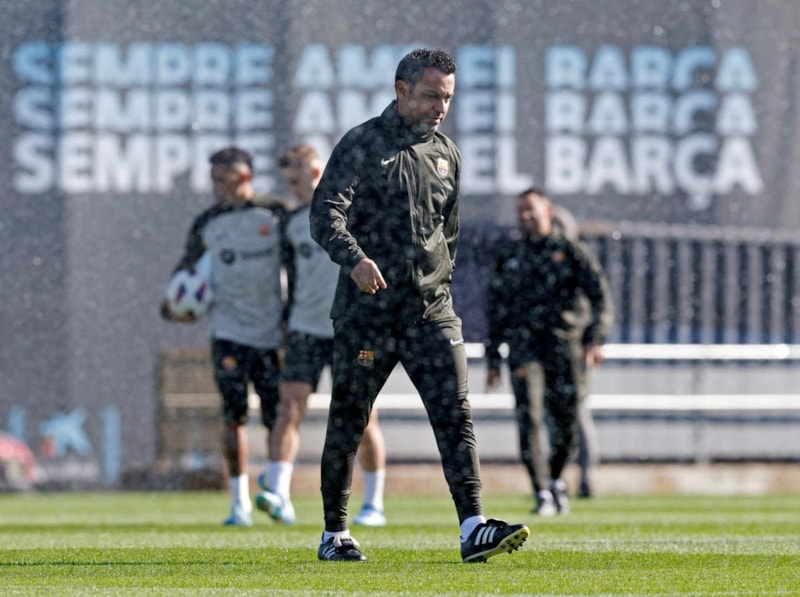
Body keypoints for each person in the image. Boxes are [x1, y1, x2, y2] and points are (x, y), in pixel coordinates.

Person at [310, 47, 530, 563]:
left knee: (456, 415)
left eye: (448, 97)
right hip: (369, 313)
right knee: (349, 420)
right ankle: (335, 533)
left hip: (431, 312)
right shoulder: (363, 143)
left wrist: (437, 286)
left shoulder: (447, 154)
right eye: (432, 95)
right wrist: (356, 260)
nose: (441, 107)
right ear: (402, 89)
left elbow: (447, 234)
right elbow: (324, 214)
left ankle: (473, 527)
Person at [255, 143, 388, 527]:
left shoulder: (354, 213)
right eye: (289, 183)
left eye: (298, 181)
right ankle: (279, 492)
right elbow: (290, 278)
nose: (294, 189)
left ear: (318, 174)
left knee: (363, 416)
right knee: (288, 407)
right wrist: (285, 321)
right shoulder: (293, 222)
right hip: (306, 329)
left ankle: (374, 503)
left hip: (352, 327)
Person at [162, 146, 289, 527]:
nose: (216, 187)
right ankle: (239, 504)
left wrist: (291, 317)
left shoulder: (276, 213)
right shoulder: (208, 222)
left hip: (272, 335)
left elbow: (300, 265)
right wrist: (174, 306)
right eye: (213, 180)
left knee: (278, 418)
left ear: (244, 178)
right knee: (233, 417)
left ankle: (278, 492)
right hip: (229, 334)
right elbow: (183, 274)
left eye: (223, 180)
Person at [484, 188, 614, 516]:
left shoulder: (571, 251)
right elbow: (495, 308)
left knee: (567, 421)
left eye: (530, 209)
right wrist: (493, 356)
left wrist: (596, 337)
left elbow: (600, 296)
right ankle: (541, 491)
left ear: (548, 211)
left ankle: (555, 478)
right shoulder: (510, 255)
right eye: (520, 211)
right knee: (528, 417)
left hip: (566, 347)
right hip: (524, 348)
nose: (525, 216)